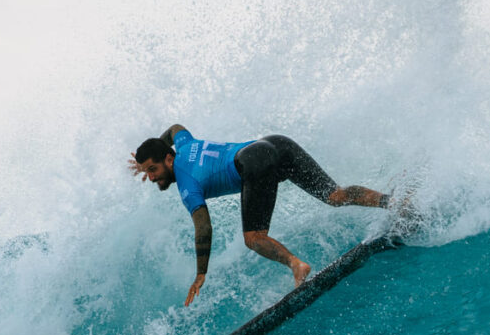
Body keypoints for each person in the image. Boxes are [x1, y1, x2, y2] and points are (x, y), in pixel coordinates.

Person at [130, 125, 391, 306]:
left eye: (153, 169)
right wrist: (156, 147)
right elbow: (175, 128)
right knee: (335, 196)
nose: (151, 177)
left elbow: (204, 228)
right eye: (146, 172)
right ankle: (391, 201)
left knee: (253, 238)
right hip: (276, 143)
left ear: (168, 159)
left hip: (253, 162)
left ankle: (297, 266)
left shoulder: (187, 184)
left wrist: (201, 274)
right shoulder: (184, 144)